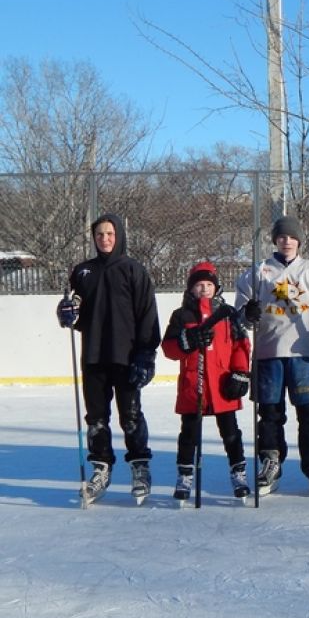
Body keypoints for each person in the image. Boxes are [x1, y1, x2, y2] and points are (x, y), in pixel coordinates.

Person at [56, 213, 160, 505]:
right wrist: (66, 314)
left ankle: (139, 466)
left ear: (119, 236)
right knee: (96, 419)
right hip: (93, 357)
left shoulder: (133, 270)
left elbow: (147, 316)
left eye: (110, 234)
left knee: (131, 416)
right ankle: (101, 468)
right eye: (100, 234)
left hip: (126, 358)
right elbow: (74, 311)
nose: (105, 239)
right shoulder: (82, 272)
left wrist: (145, 354)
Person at [234, 215, 309, 496]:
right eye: (281, 237)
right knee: (269, 414)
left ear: (299, 240)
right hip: (268, 353)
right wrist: (248, 314)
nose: (286, 241)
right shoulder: (257, 273)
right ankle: (270, 463)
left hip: (305, 354)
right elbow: (241, 314)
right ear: (275, 240)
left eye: (291, 237)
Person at [160, 261, 252, 502]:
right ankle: (184, 476)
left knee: (231, 433)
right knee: (189, 434)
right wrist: (187, 340)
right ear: (191, 288)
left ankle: (238, 473)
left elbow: (241, 345)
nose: (204, 289)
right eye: (199, 285)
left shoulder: (228, 313)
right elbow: (169, 348)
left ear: (216, 287)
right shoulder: (182, 315)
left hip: (223, 386)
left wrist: (241, 372)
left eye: (208, 284)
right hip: (195, 385)